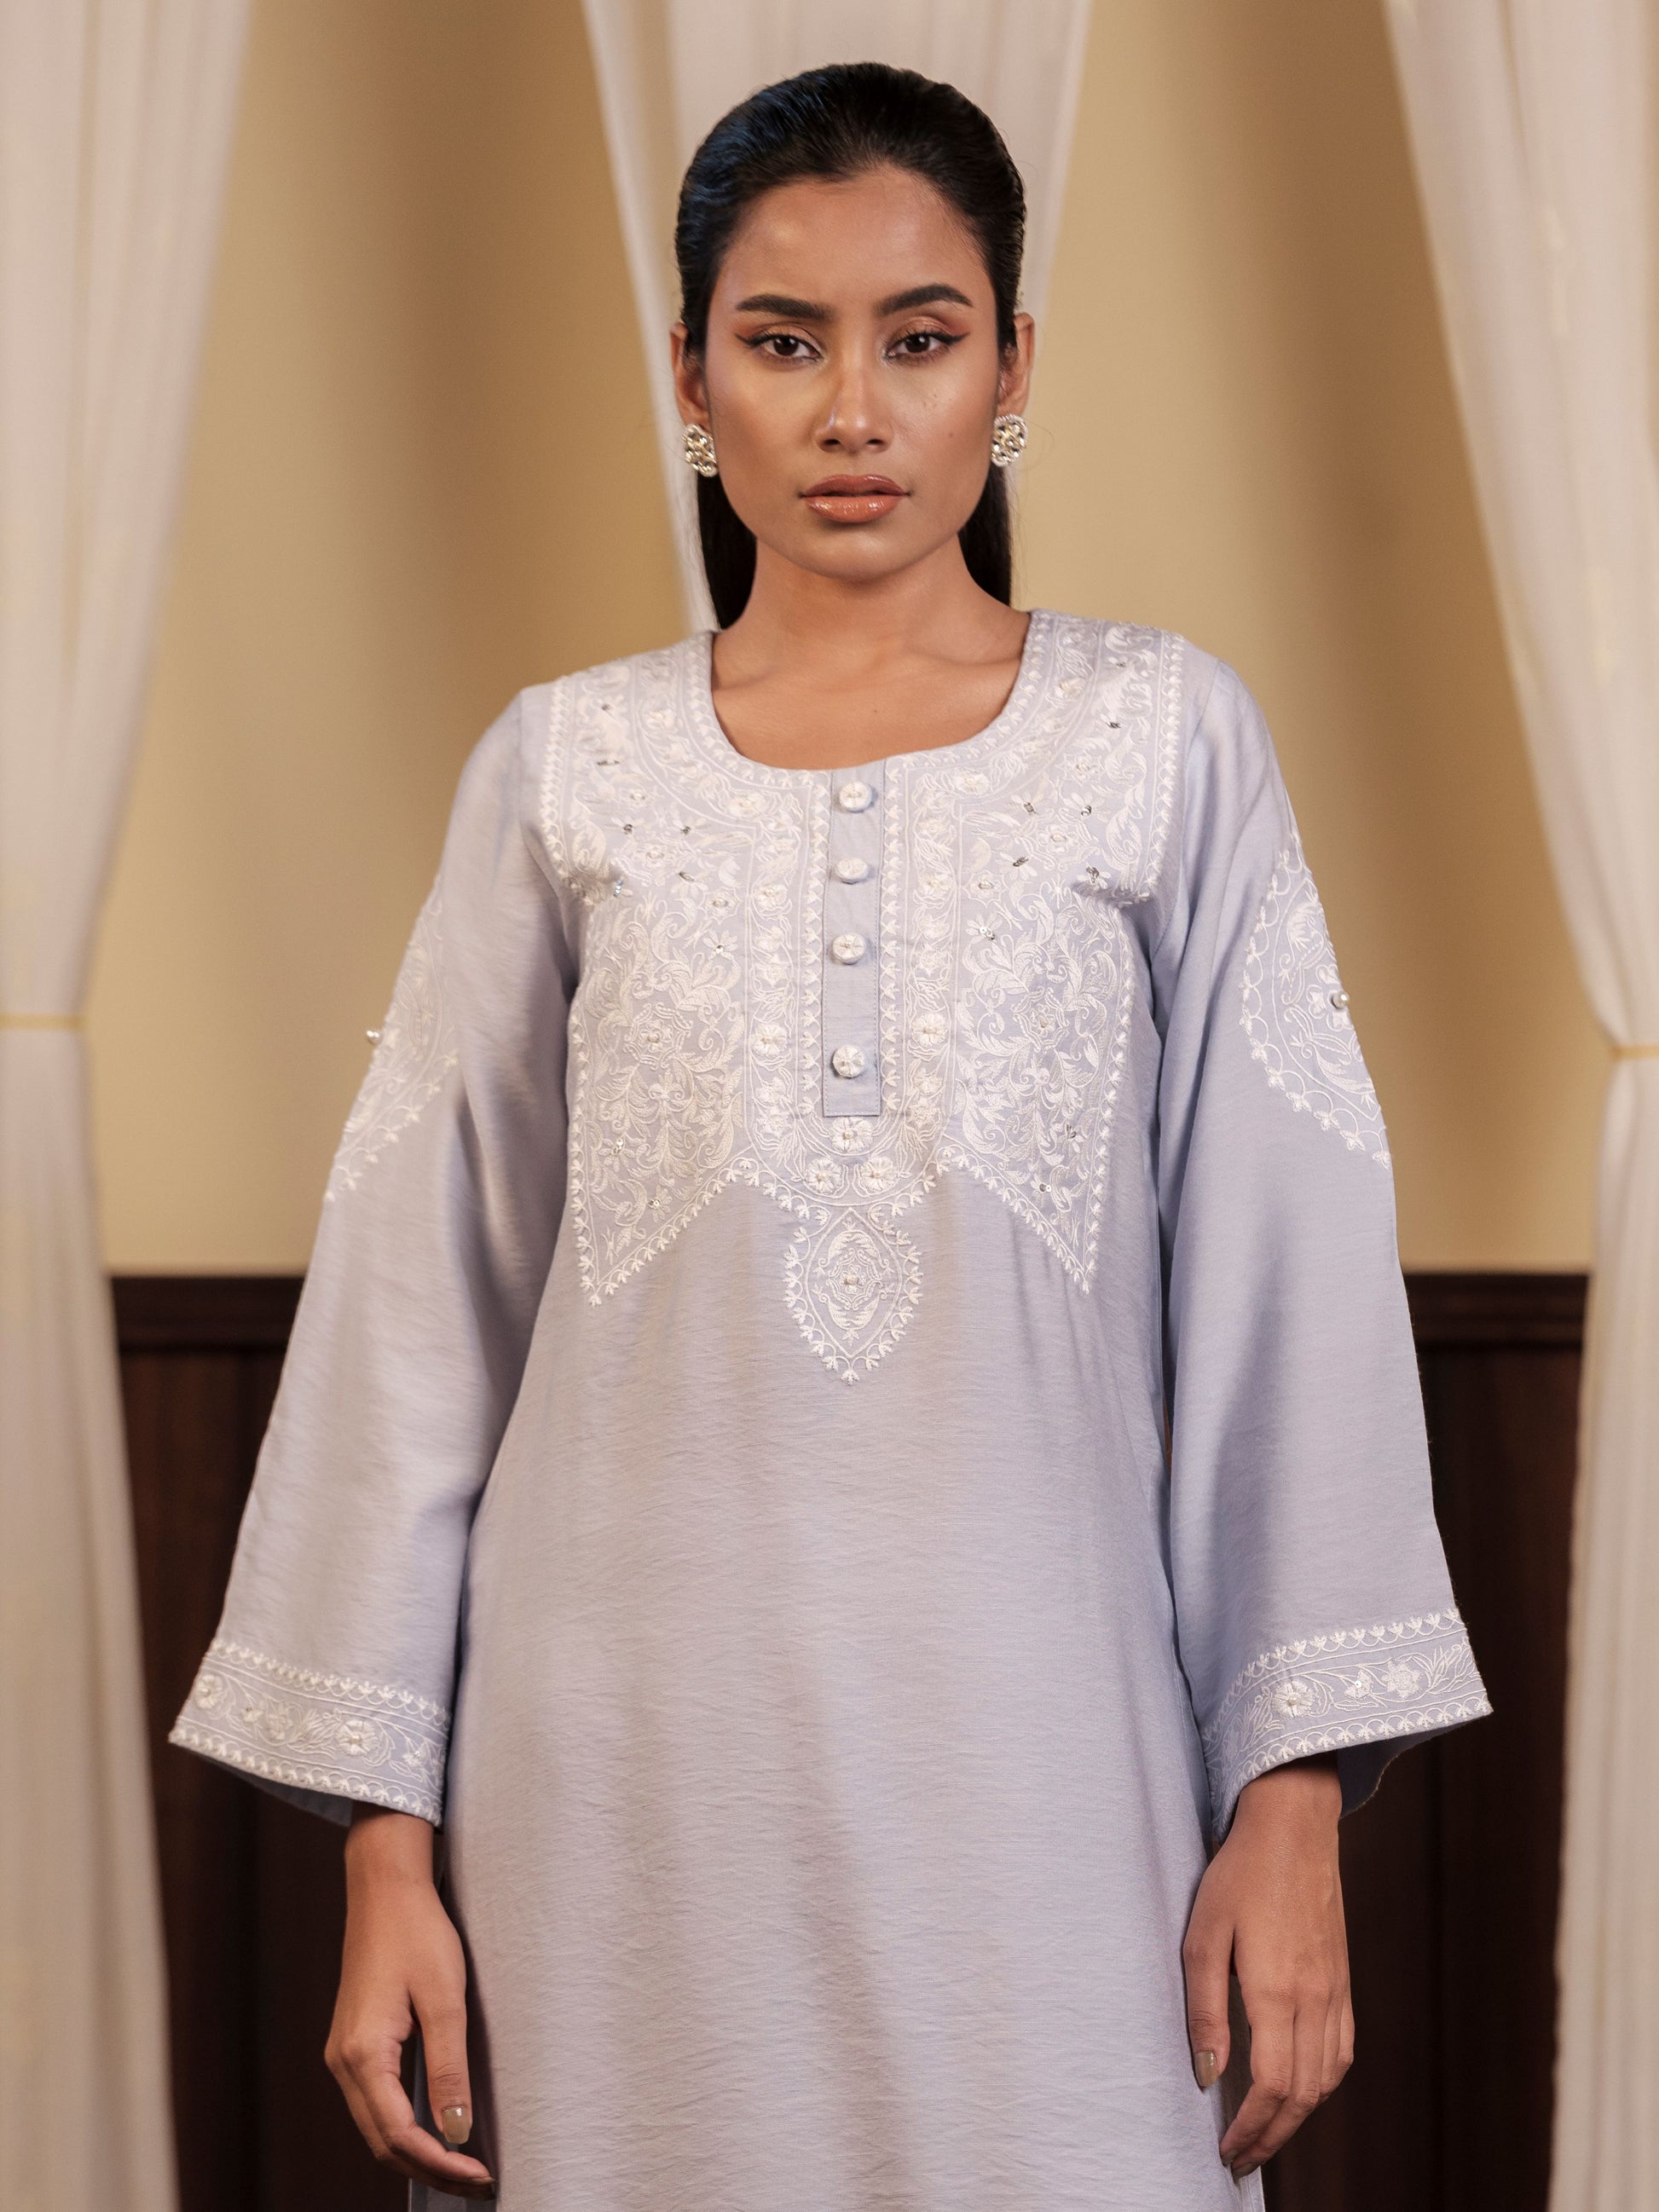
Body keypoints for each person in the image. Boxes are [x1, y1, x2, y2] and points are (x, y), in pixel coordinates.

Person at [170, 61, 1490, 2211]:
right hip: (611, 1797)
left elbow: (1294, 1285)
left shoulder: (1167, 744)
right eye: (782, 342)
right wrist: (389, 1863)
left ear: (1012, 366)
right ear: (690, 379)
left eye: (919, 336)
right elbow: (417, 1323)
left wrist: (1293, 1804)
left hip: (1054, 1772)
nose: (853, 409)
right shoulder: (562, 773)